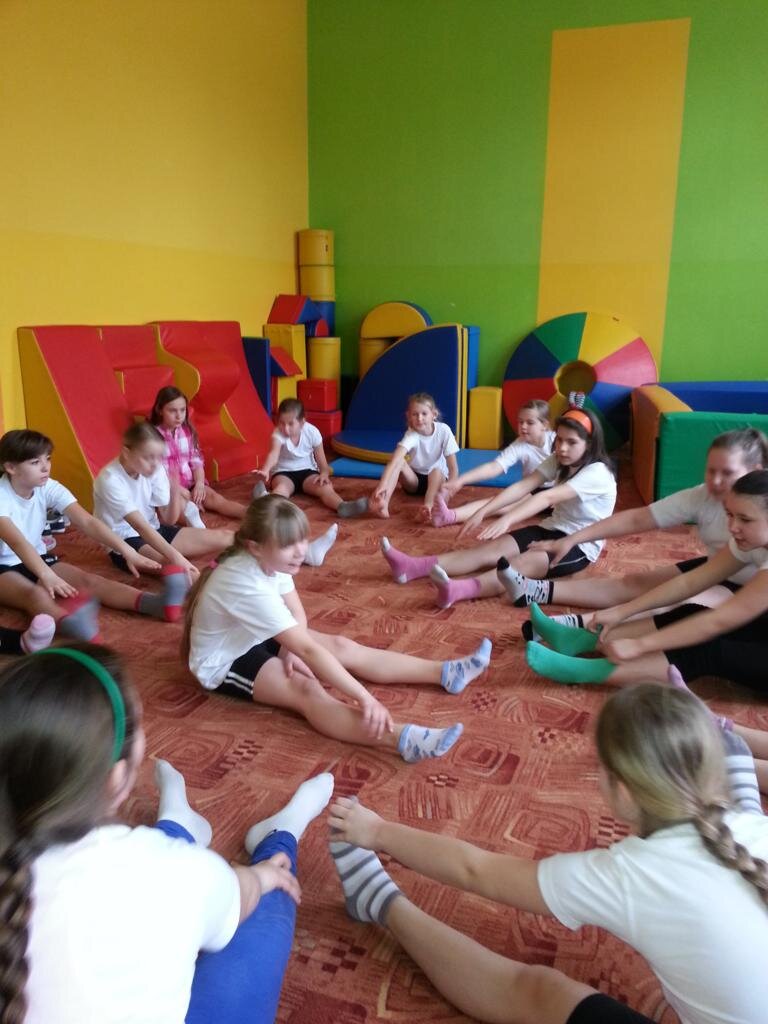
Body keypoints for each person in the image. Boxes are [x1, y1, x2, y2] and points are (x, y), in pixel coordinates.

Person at [328, 684, 768, 1024]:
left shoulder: (628, 874)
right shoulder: (752, 830)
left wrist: (377, 831)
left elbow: (476, 871)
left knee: (539, 991)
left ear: (623, 791)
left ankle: (378, 901)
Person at [0, 642, 334, 1024]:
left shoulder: (163, 868)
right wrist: (260, 877)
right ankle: (280, 835)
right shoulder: (170, 870)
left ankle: (179, 821)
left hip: (174, 869)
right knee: (273, 894)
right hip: (191, 877)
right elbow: (239, 895)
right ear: (116, 778)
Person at [184, 495, 492, 763]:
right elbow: (308, 649)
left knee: (342, 646)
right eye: (289, 545)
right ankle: (402, 739)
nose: (300, 551)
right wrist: (364, 698)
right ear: (255, 547)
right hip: (225, 660)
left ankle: (445, 673)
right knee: (306, 689)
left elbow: (297, 614)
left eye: (302, 539)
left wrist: (289, 649)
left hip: (255, 632)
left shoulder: (273, 560)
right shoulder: (243, 581)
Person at [497, 429, 768, 630]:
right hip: (717, 568)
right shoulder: (702, 496)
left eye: (727, 473)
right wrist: (572, 539)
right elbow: (638, 519)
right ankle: (534, 589)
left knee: (676, 606)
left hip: (750, 589)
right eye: (711, 471)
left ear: (756, 471)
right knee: (634, 584)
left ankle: (575, 626)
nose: (716, 481)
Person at [524, 469, 768, 690]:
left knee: (707, 649)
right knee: (692, 612)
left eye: (745, 519)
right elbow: (690, 582)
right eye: (730, 515)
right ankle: (577, 640)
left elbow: (718, 622)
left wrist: (640, 645)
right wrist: (621, 611)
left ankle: (581, 672)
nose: (733, 527)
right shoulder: (748, 541)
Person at [380, 408, 616, 609]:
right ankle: (411, 567)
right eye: (560, 440)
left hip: (580, 544)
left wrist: (508, 519)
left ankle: (458, 590)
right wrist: (485, 511)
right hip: (552, 527)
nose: (562, 448)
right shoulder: (559, 459)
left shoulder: (597, 472)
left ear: (589, 444)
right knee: (489, 551)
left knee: (517, 566)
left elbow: (547, 497)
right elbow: (524, 485)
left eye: (572, 442)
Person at [0, 429, 188, 642]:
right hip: (3, 566)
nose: (45, 467)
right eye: (35, 462)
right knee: (35, 594)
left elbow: (88, 522)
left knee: (90, 580)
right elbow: (17, 542)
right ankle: (72, 625)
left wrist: (128, 551)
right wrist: (46, 575)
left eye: (48, 458)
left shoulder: (47, 486)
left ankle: (156, 604)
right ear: (11, 467)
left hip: (36, 556)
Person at [94, 421, 235, 582]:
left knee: (227, 536)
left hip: (155, 529)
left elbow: (169, 519)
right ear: (126, 453)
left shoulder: (154, 468)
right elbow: (139, 526)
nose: (155, 464)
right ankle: (221, 591)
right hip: (125, 540)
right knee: (180, 571)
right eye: (148, 457)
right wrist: (177, 557)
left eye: (159, 457)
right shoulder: (110, 479)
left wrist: (174, 491)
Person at [431, 398, 554, 527]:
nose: (523, 426)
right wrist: (460, 480)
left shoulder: (555, 440)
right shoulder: (519, 445)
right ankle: (450, 515)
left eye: (530, 423)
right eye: (520, 422)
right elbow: (494, 467)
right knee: (498, 504)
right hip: (532, 491)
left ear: (544, 425)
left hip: (558, 491)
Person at [149, 385, 248, 528]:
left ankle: (249, 513)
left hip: (190, 484)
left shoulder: (187, 431)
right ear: (160, 410)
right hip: (169, 488)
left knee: (215, 498)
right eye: (172, 411)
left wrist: (199, 484)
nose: (179, 416)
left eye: (182, 410)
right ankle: (198, 527)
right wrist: (181, 492)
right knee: (181, 508)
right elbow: (155, 473)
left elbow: (196, 462)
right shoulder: (152, 436)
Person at [252, 398, 367, 518]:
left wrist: (324, 474)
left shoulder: (312, 432)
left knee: (325, 488)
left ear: (302, 422)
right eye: (281, 423)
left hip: (308, 472)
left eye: (291, 424)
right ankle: (264, 501)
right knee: (282, 489)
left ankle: (342, 506)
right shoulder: (278, 434)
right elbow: (273, 454)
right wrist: (265, 470)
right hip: (283, 473)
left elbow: (322, 461)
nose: (285, 428)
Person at [370, 392, 459, 520]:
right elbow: (394, 460)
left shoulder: (444, 431)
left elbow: (453, 469)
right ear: (408, 416)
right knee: (400, 462)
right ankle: (384, 502)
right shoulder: (411, 435)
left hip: (436, 480)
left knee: (437, 470)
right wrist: (382, 485)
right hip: (414, 482)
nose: (419, 418)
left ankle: (428, 507)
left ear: (434, 414)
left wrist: (449, 489)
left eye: (424, 414)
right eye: (415, 414)